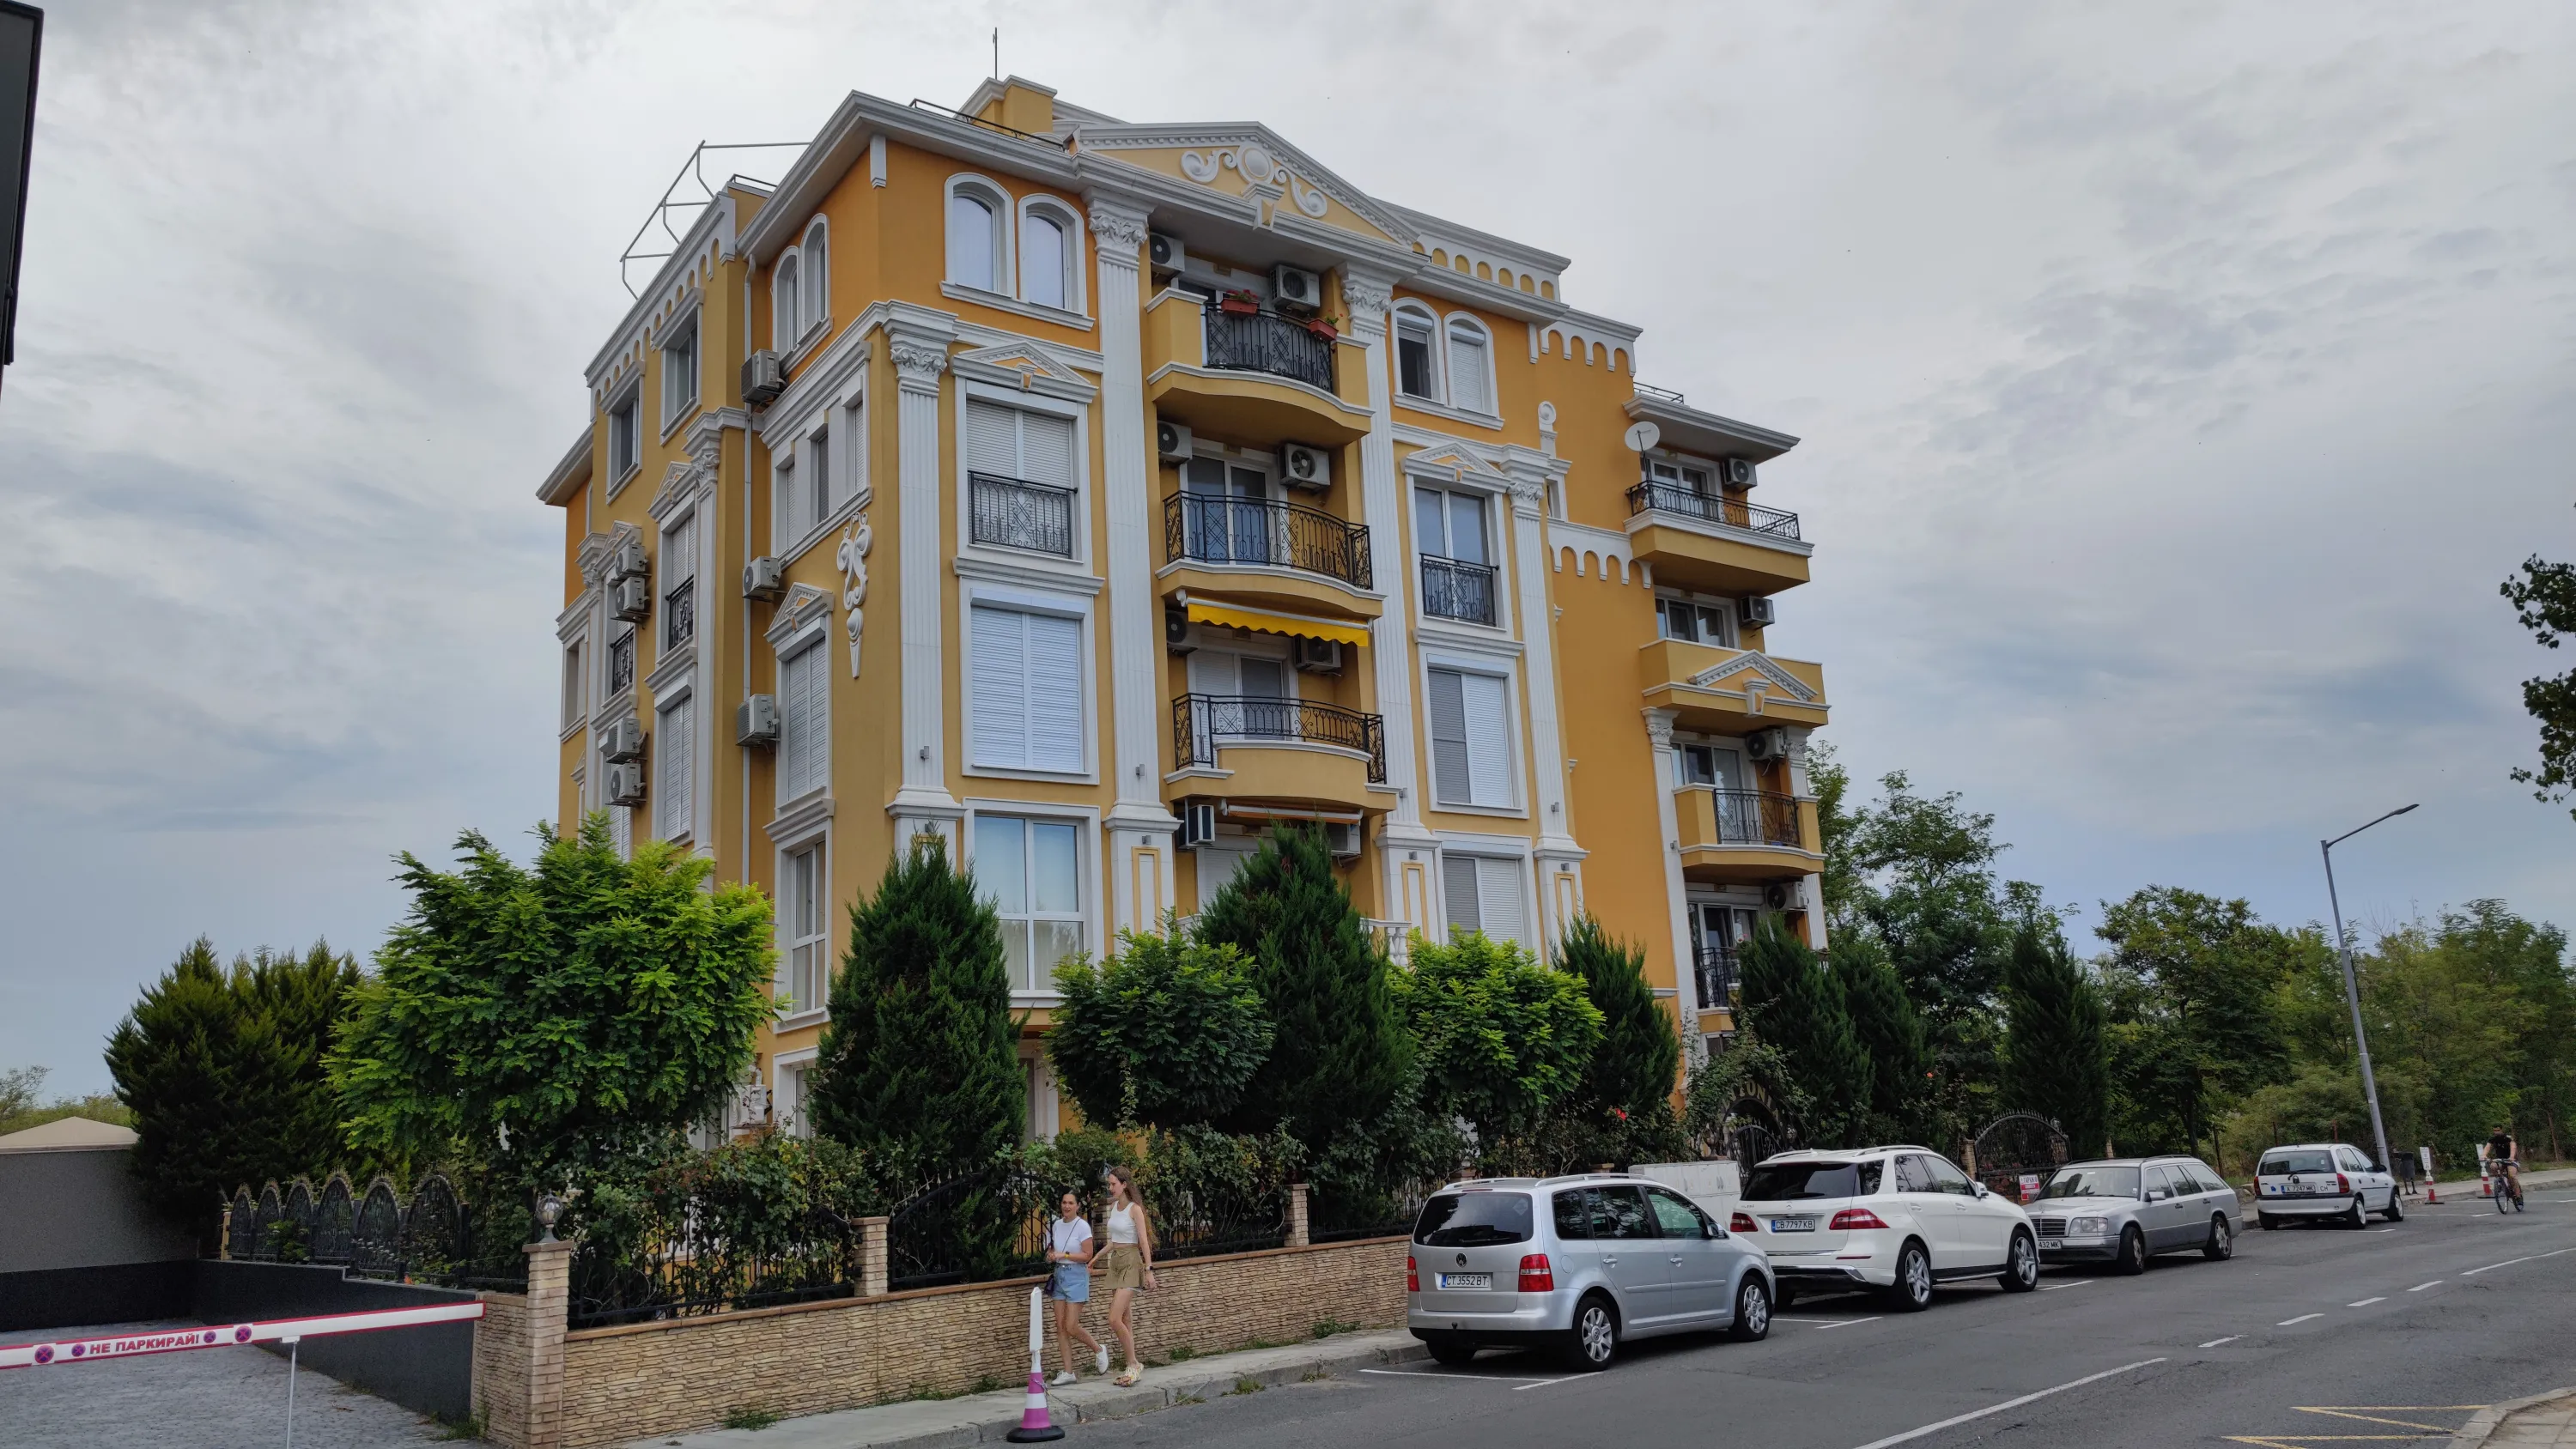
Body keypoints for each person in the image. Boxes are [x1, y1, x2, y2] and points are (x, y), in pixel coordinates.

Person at [1095, 1165, 1158, 1387]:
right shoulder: (1114, 1208)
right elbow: (1114, 1242)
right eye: (1109, 1184)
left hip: (1131, 1262)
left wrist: (1149, 1270)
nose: (1110, 1188)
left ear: (1124, 1184)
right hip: (1116, 1263)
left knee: (1114, 1319)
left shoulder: (1135, 1209)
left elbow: (1143, 1242)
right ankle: (1131, 1366)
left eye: (1113, 1184)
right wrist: (1095, 1259)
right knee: (1125, 1319)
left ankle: (1133, 1364)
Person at [1044, 1190, 1108, 1385]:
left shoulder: (1082, 1226)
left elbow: (1087, 1255)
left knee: (1071, 1325)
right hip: (1059, 1275)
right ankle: (1068, 1372)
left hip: (1077, 1276)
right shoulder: (1056, 1225)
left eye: (1071, 1203)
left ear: (1078, 1206)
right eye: (1064, 1202)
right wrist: (1052, 1256)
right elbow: (1052, 1250)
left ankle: (1098, 1349)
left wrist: (1064, 1255)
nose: (1067, 1206)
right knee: (1060, 1326)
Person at [2488, 1125, 2521, 1203]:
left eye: (2498, 1130)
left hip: (2511, 1161)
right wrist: (2484, 1155)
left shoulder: (2508, 1138)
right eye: (2495, 1130)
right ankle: (2499, 1181)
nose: (2496, 1132)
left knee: (2512, 1176)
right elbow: (2487, 1147)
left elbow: (2513, 1147)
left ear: (2502, 1130)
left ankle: (2518, 1196)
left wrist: (2511, 1157)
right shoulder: (2492, 1139)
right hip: (2500, 1160)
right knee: (2493, 1166)